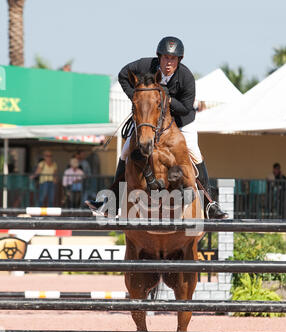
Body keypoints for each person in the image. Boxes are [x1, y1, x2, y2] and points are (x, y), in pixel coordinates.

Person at [86, 36, 227, 219]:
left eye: (173, 59)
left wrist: (166, 99)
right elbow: (122, 74)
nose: (169, 63)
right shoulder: (145, 65)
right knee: (126, 150)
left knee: (194, 151)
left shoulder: (185, 77)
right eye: (166, 58)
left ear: (179, 60)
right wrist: (137, 99)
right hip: (150, 120)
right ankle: (111, 202)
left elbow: (185, 108)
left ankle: (209, 203)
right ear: (159, 57)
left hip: (181, 121)